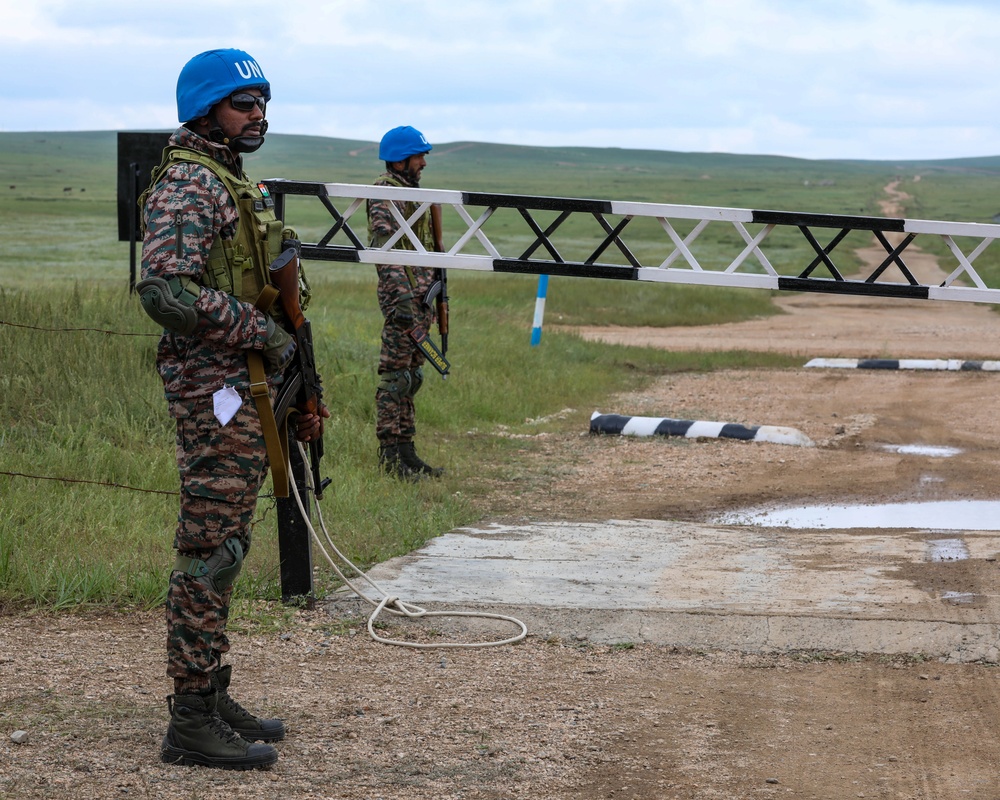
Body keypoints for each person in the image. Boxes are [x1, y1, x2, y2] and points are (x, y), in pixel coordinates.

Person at [136, 48, 326, 770]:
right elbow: (164, 291)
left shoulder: (230, 181)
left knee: (230, 542)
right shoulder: (189, 183)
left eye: (263, 102)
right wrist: (261, 333)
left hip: (242, 385)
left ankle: (211, 693)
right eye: (243, 103)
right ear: (206, 110)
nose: (259, 115)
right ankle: (189, 721)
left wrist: (288, 355)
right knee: (209, 548)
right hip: (212, 388)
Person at [367, 125, 445, 480]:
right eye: (418, 155)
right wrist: (401, 300)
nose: (423, 162)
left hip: (420, 297)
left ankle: (407, 452)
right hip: (404, 299)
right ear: (401, 160)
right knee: (396, 378)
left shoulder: (411, 192)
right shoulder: (385, 193)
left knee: (412, 377)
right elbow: (385, 250)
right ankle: (389, 456)